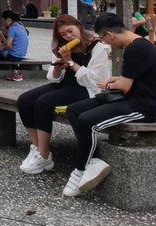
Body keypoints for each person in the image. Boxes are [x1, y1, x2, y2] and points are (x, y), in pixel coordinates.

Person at [62, 15, 156, 197]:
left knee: (88, 121)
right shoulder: (139, 45)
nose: (106, 43)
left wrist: (108, 85)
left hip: (144, 107)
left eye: (103, 39)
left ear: (109, 35)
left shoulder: (135, 49)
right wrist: (117, 80)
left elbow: (125, 86)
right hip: (130, 98)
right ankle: (93, 160)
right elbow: (134, 79)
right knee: (74, 110)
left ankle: (80, 169)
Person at [16, 14, 109, 175]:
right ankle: (38, 149)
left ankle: (44, 154)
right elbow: (53, 77)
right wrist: (58, 68)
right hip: (65, 85)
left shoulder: (98, 47)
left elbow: (95, 81)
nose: (68, 36)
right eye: (64, 34)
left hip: (86, 89)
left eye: (70, 31)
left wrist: (72, 63)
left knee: (44, 102)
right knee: (25, 100)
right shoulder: (62, 46)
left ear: (79, 26)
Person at [0, 10, 30, 81]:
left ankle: (12, 72)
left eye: (4, 20)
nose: (4, 23)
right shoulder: (21, 26)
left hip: (14, 56)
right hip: (21, 54)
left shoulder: (12, 28)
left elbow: (8, 45)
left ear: (8, 19)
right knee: (2, 50)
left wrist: (1, 34)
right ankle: (14, 72)